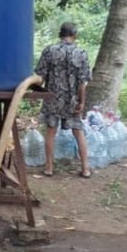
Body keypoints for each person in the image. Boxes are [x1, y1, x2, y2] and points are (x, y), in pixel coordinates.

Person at [35, 21, 91, 178]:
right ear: (74, 35)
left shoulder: (49, 51)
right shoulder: (81, 53)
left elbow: (40, 77)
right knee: (78, 132)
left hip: (52, 98)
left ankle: (48, 167)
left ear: (60, 34)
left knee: (51, 132)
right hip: (72, 99)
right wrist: (82, 102)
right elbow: (82, 82)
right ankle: (86, 168)